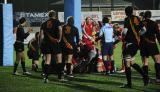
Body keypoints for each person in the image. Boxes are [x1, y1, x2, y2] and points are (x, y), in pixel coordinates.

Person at [120, 6, 148, 88]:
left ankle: (129, 84)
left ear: (126, 12)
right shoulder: (137, 18)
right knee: (131, 62)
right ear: (132, 11)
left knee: (127, 63)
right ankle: (145, 75)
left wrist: (123, 37)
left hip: (130, 43)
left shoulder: (127, 19)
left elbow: (125, 31)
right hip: (136, 43)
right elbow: (144, 30)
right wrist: (138, 35)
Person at [40, 10, 65, 83]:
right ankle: (60, 77)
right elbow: (60, 30)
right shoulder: (57, 22)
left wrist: (40, 43)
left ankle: (46, 78)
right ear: (55, 15)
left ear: (49, 15)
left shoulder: (44, 23)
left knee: (47, 61)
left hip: (46, 43)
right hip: (55, 43)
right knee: (59, 60)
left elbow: (41, 35)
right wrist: (59, 39)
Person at [140, 11, 160, 84]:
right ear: (150, 16)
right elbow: (158, 35)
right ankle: (158, 78)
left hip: (143, 45)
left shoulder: (140, 23)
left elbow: (138, 34)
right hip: (152, 44)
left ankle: (146, 79)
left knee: (145, 62)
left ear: (144, 16)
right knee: (157, 61)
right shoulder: (154, 23)